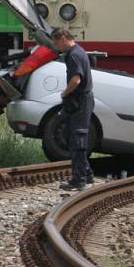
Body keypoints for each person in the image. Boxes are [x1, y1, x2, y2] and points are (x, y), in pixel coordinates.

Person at [52, 28, 95, 191]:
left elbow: (76, 80)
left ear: (63, 38)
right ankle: (87, 175)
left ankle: (80, 180)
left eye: (57, 43)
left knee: (77, 141)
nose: (57, 47)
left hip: (80, 100)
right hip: (82, 100)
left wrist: (64, 93)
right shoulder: (79, 51)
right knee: (76, 138)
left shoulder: (74, 55)